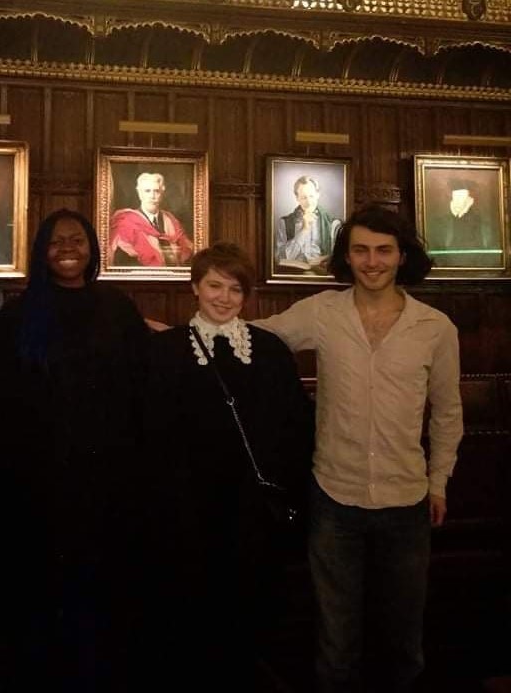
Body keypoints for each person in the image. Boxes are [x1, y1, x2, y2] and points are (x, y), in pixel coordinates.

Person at [255, 204, 464, 692]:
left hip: (407, 501)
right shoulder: (322, 312)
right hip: (333, 500)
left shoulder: (435, 328)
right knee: (336, 643)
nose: (372, 261)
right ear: (346, 257)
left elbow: (449, 414)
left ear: (402, 256)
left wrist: (439, 483)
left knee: (402, 642)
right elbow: (258, 337)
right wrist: (185, 333)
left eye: (384, 251)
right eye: (361, 250)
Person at [137, 242, 315, 692]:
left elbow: (294, 426)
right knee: (192, 613)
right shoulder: (167, 350)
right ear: (195, 287)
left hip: (253, 512)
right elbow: (152, 432)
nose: (223, 297)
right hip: (188, 512)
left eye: (235, 289)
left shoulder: (270, 350)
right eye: (214, 285)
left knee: (253, 612)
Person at [0, 208, 150, 691]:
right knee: (42, 587)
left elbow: (142, 382)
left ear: (92, 248)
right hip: (39, 478)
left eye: (77, 239)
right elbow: (4, 398)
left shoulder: (118, 306)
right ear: (42, 250)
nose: (67, 247)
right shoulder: (17, 315)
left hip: (109, 476)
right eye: (56, 241)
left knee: (102, 584)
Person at [109, 171, 194, 267]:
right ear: (139, 193)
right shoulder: (126, 222)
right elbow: (123, 261)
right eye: (147, 191)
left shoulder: (170, 220)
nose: (152, 196)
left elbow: (185, 248)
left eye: (156, 191)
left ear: (162, 193)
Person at [427, 177, 499, 267]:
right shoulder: (440, 224)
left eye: (462, 198)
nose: (458, 202)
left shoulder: (484, 224)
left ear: (470, 200)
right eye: (456, 198)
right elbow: (435, 253)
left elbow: (491, 254)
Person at [276, 175, 342, 270]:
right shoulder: (284, 222)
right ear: (297, 198)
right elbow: (280, 258)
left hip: (323, 272)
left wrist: (325, 258)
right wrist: (304, 229)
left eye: (311, 196)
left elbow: (340, 256)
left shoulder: (333, 224)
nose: (309, 202)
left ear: (318, 195)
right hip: (293, 272)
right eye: (304, 197)